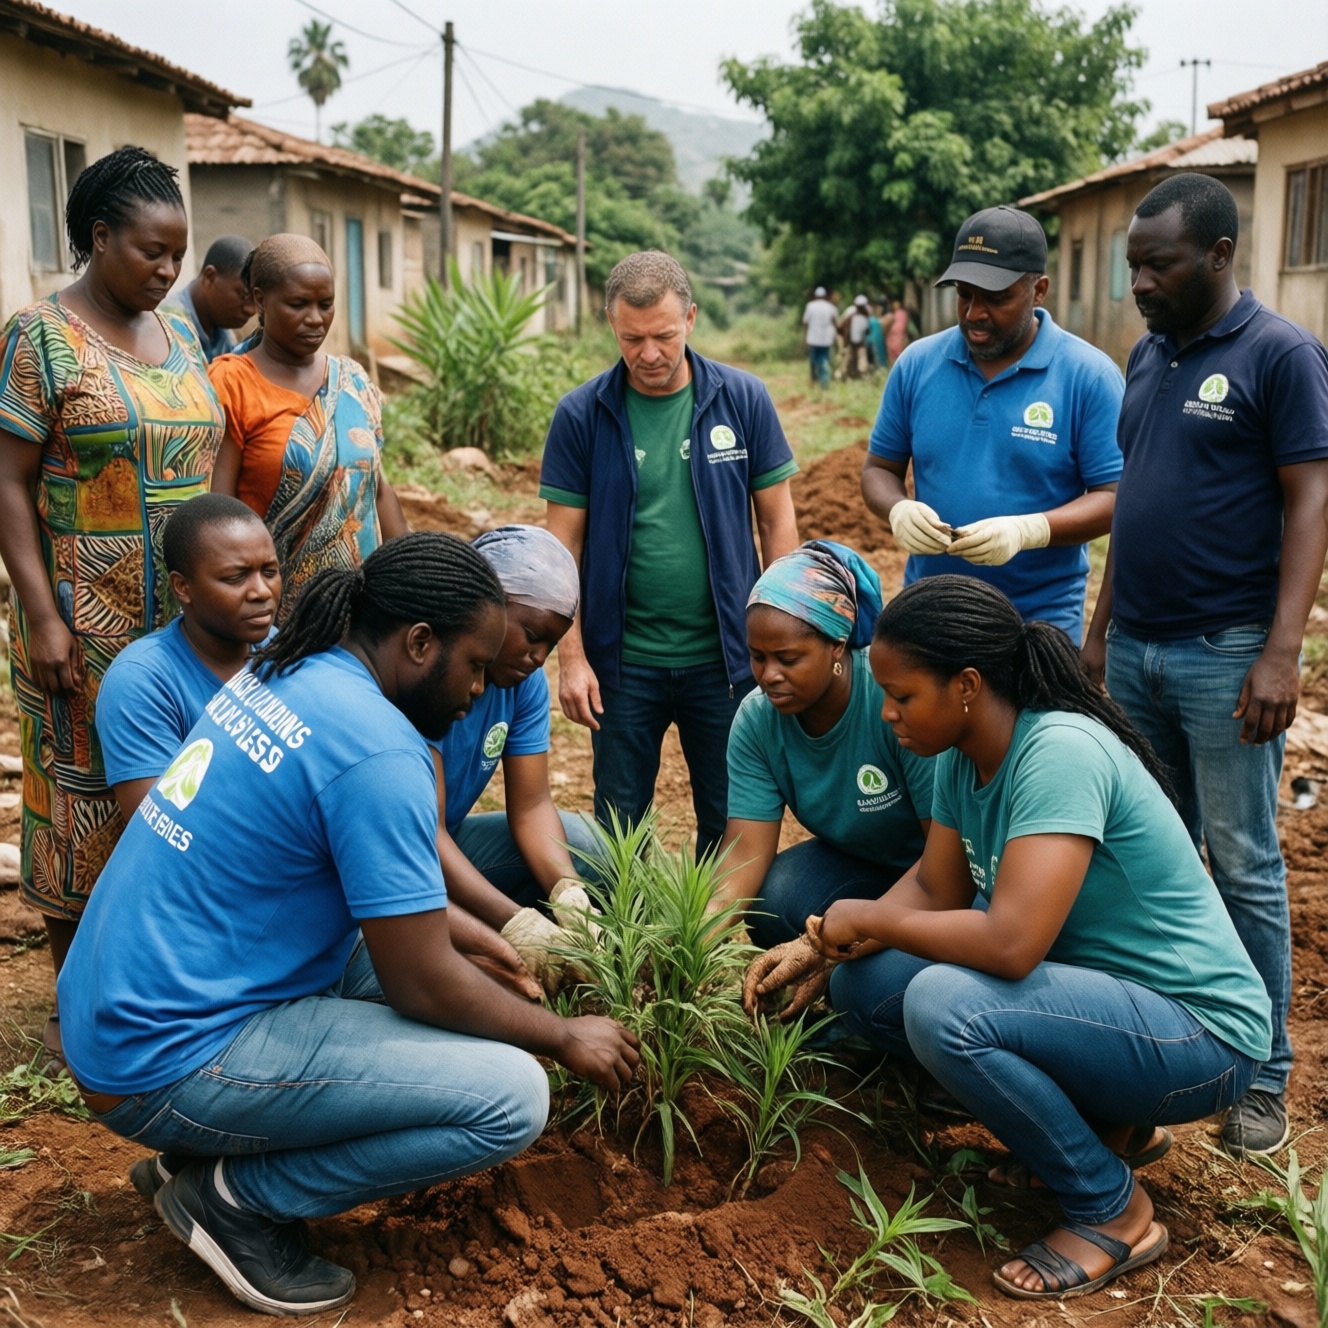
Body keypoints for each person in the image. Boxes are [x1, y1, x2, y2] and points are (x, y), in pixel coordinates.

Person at [57, 531, 640, 1317]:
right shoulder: (379, 751)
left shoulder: (290, 670)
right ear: (420, 643)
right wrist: (563, 1037)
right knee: (511, 1094)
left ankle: (195, 1157)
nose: (477, 692)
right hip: (163, 1056)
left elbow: (379, 903)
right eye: (473, 666)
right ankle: (235, 1200)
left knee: (466, 986)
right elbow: (422, 981)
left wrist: (488, 938)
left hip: (119, 1006)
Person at [747, 576, 1270, 1300]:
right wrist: (821, 947)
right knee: (866, 986)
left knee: (941, 1004)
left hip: (1199, 1036)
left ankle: (1111, 1208)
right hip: (1111, 1012)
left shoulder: (1057, 750)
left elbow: (1012, 945)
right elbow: (934, 891)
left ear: (966, 685)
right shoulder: (962, 756)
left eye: (902, 696)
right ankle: (1112, 1129)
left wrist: (866, 917)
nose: (889, 714)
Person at [1083, 173, 1328, 1157]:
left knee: (1243, 865)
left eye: (1157, 264)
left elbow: (1309, 502)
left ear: (1217, 255)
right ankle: (1164, 1052)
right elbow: (1136, 501)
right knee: (1152, 861)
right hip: (1135, 646)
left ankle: (1260, 1072)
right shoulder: (1144, 355)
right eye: (1130, 264)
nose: (1138, 280)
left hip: (1225, 653)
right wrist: (1100, 630)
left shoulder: (1280, 355)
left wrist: (1281, 651)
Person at [0, 147, 223, 1068]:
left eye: (178, 255)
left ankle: (159, 979)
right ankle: (74, 1006)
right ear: (99, 238)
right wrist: (40, 611)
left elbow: (205, 460)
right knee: (80, 799)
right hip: (81, 623)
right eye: (151, 252)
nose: (168, 271)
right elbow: (7, 483)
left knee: (184, 793)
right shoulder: (39, 336)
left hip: (182, 628)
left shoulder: (184, 338)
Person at [541, 250, 800, 858]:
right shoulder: (583, 415)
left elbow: (777, 518)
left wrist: (784, 637)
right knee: (618, 831)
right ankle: (625, 946)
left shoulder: (742, 399)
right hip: (622, 667)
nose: (649, 354)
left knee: (732, 817)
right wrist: (572, 659)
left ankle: (707, 942)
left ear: (691, 317)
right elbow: (561, 548)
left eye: (663, 335)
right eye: (633, 339)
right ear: (611, 324)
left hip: (728, 662)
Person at [860, 205, 1124, 645]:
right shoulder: (918, 365)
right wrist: (897, 508)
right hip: (931, 611)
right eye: (964, 295)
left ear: (1039, 290)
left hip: (1037, 621)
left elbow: (1115, 497)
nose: (974, 313)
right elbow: (878, 470)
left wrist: (1029, 530)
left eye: (996, 298)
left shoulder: (1087, 376)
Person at [713, 541, 932, 950]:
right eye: (757, 657)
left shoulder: (891, 700)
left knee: (874, 981)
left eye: (788, 658)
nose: (769, 675)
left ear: (836, 645)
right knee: (773, 899)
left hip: (941, 876)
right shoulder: (758, 720)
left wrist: (841, 941)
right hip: (863, 865)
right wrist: (702, 928)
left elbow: (944, 860)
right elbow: (745, 849)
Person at [426, 525, 600, 995]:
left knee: (590, 847)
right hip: (404, 855)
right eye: (530, 636)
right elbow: (423, 834)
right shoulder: (429, 675)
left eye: (550, 644)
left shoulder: (523, 686)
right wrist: (515, 922)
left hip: (447, 841)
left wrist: (568, 894)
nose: (537, 657)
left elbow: (531, 805)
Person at [209, 233, 408, 615]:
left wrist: (410, 580)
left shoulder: (352, 381)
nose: (315, 319)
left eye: (326, 304)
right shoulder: (232, 382)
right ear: (260, 300)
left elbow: (377, 490)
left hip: (358, 613)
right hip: (271, 617)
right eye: (298, 304)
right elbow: (219, 511)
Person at [96, 494, 281, 822]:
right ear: (182, 587)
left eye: (269, 571)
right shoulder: (142, 681)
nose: (262, 591)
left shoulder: (283, 652)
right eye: (236, 577)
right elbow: (160, 826)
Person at [166, 235, 256, 362]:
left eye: (256, 299)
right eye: (244, 295)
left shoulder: (222, 329)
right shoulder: (168, 324)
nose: (251, 310)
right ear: (210, 277)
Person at [802, 285, 840, 387]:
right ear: (824, 296)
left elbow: (805, 323)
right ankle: (824, 383)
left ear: (816, 295)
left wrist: (804, 337)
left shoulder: (810, 306)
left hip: (813, 339)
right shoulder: (831, 307)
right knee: (824, 360)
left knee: (813, 361)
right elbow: (835, 323)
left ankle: (814, 380)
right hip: (826, 340)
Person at [840, 295, 871, 380]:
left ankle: (858, 375)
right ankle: (850, 375)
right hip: (853, 341)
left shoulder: (863, 315)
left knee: (857, 358)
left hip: (858, 341)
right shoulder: (852, 314)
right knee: (852, 358)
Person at [884, 296, 912, 367]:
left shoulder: (899, 314)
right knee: (895, 353)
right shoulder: (899, 314)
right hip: (895, 336)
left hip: (898, 336)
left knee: (897, 353)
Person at [865, 301, 887, 372]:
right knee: (878, 358)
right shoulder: (875, 320)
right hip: (877, 341)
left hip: (871, 341)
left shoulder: (869, 320)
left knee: (874, 359)